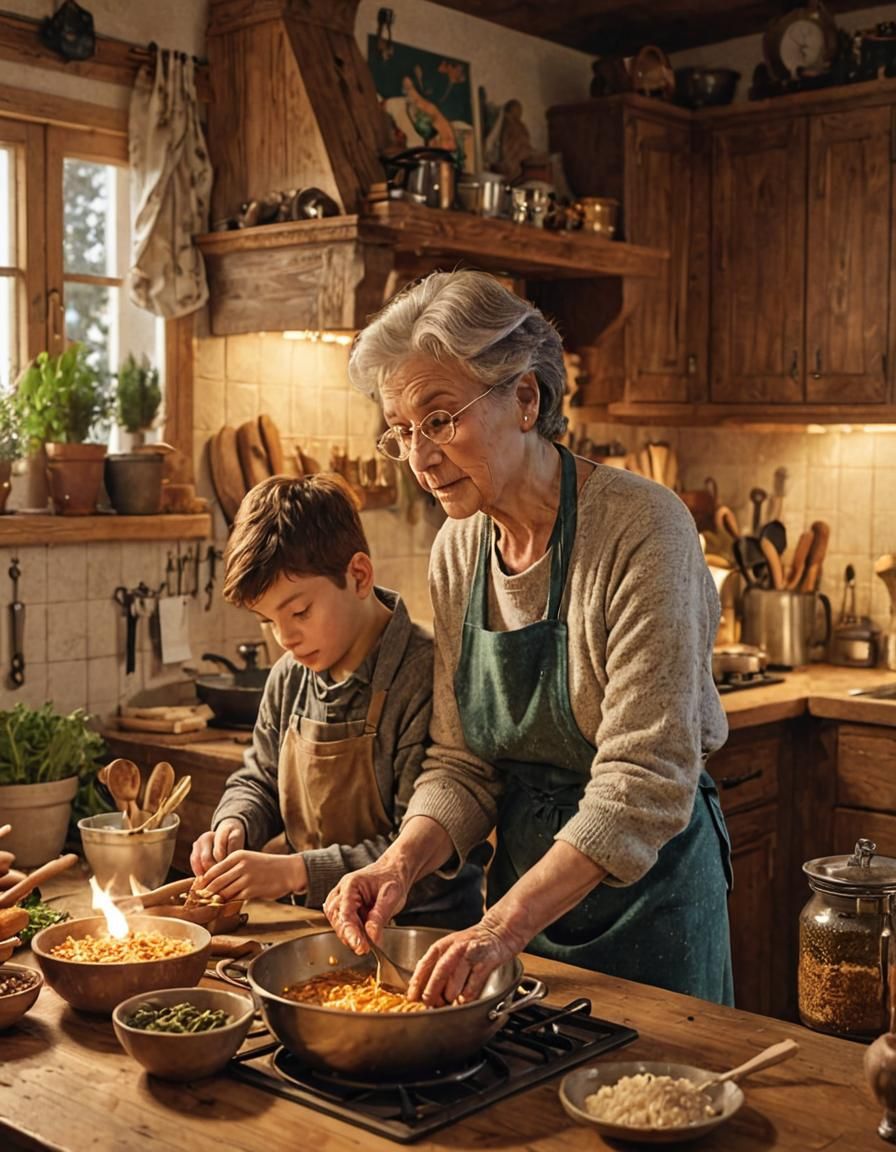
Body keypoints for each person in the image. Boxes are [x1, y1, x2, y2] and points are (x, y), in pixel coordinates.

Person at [323, 270, 734, 1007]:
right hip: (523, 900)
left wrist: (499, 929)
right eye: (402, 431)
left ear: (524, 399)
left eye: (440, 418)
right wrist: (399, 864)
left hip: (650, 901)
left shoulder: (644, 529)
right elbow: (463, 761)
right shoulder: (457, 548)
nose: (419, 457)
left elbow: (645, 777)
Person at [189, 473, 483, 927]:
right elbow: (260, 779)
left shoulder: (424, 676)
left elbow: (420, 853)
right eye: (268, 621)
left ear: (359, 576)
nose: (285, 638)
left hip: (419, 932)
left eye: (300, 611)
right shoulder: (290, 676)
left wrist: (293, 871)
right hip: (316, 926)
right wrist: (235, 824)